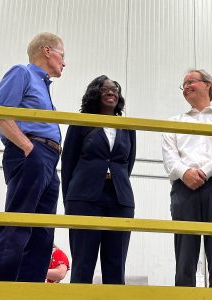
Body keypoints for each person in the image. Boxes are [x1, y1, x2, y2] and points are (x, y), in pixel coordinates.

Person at [0, 32, 65, 282]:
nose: (64, 62)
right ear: (47, 51)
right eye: (62, 55)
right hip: (32, 153)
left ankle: (29, 288)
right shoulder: (21, 72)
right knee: (19, 221)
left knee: (43, 231)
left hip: (49, 160)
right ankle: (1, 288)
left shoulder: (43, 86)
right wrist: (27, 147)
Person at [162, 69, 212, 288]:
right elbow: (169, 158)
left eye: (191, 81)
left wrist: (203, 171)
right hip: (183, 188)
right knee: (185, 255)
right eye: (184, 84)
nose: (186, 86)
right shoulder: (173, 122)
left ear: (208, 85)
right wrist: (185, 173)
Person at [61, 75, 136, 284]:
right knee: (83, 263)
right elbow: (68, 164)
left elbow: (128, 164)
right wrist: (69, 202)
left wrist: (115, 179)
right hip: (83, 198)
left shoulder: (127, 126)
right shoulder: (81, 123)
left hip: (120, 199)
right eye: (105, 89)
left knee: (116, 264)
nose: (111, 92)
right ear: (95, 93)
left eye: (115, 90)